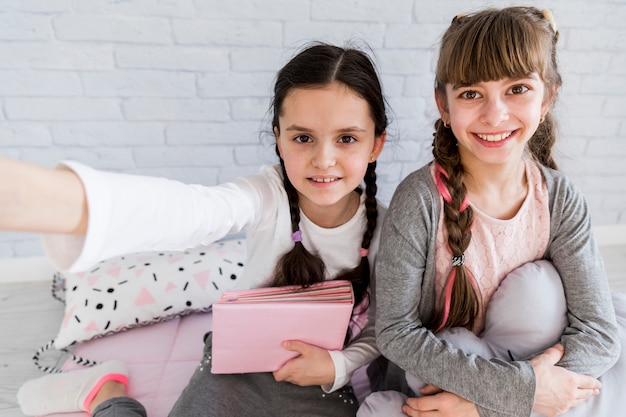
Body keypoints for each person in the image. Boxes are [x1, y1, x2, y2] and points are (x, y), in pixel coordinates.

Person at [3, 41, 389, 417]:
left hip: (319, 375)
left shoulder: (388, 227)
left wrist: (339, 366)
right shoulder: (264, 196)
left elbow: (384, 325)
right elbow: (195, 212)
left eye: (347, 139)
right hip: (237, 364)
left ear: (376, 144)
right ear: (278, 138)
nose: (324, 160)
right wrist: (62, 202)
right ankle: (108, 394)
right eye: (303, 138)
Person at [358, 6, 625, 417]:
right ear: (443, 106)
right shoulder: (420, 201)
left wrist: (489, 406)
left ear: (548, 96)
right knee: (449, 352)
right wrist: (514, 393)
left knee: (547, 297)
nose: (495, 114)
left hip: (521, 363)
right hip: (440, 377)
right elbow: (396, 333)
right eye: (470, 94)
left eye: (517, 89)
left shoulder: (559, 198)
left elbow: (600, 332)